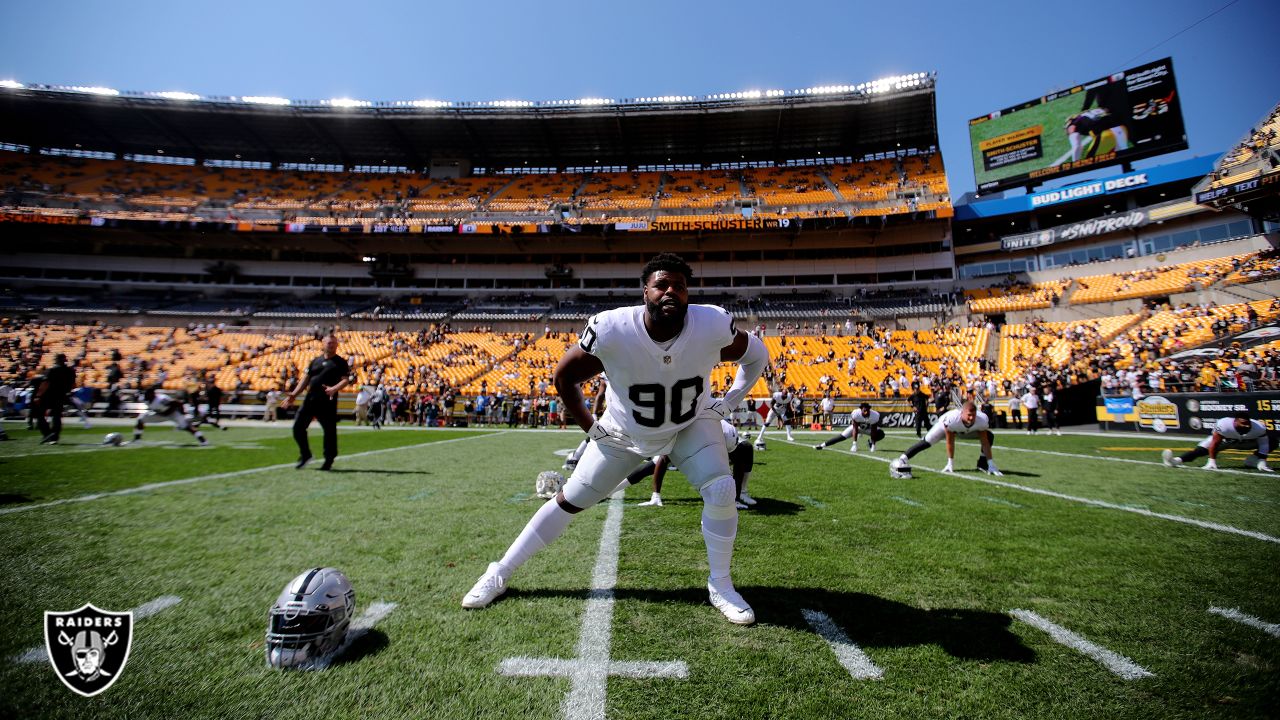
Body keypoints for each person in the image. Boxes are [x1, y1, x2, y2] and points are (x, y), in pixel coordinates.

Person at [462, 253, 769, 625]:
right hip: (625, 432)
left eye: (680, 286)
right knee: (569, 500)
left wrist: (729, 402)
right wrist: (591, 429)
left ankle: (720, 584)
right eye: (662, 285)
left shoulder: (711, 323)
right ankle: (500, 571)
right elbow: (564, 377)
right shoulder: (612, 328)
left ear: (689, 294)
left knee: (721, 489)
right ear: (645, 292)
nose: (671, 291)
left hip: (690, 425)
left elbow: (757, 354)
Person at [626, 419, 757, 509]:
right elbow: (664, 458)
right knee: (652, 465)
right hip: (690, 445)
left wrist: (734, 498)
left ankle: (740, 495)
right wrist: (656, 494)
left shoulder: (725, 431)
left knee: (746, 449)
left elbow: (737, 462)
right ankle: (609, 490)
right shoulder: (690, 430)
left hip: (708, 444)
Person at [282, 335, 352, 471]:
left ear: (337, 345)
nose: (331, 345)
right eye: (328, 343)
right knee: (298, 428)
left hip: (327, 402)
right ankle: (306, 454)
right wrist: (294, 395)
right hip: (310, 400)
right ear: (323, 344)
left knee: (329, 432)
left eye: (333, 343)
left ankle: (329, 459)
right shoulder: (315, 361)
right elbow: (306, 379)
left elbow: (345, 380)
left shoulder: (340, 362)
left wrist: (334, 389)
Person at [890, 401, 1002, 477]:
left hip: (966, 431)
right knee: (927, 442)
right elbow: (950, 441)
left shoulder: (981, 420)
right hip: (945, 428)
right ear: (962, 412)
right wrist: (950, 463)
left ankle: (983, 464)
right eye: (969, 415)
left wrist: (991, 462)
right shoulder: (952, 418)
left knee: (989, 436)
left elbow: (984, 442)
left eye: (973, 415)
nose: (971, 418)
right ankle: (903, 458)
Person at [1162, 415, 1275, 472]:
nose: (1246, 426)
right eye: (1243, 423)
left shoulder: (1258, 427)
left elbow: (1264, 444)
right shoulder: (1224, 425)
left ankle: (1252, 460)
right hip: (1226, 441)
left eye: (1248, 423)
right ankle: (1176, 461)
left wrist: (1262, 460)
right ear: (1235, 422)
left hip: (1246, 442)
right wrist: (1212, 461)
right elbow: (1215, 443)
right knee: (1200, 451)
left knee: (1273, 441)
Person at [132, 388, 210, 446]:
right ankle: (137, 440)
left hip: (173, 413)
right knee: (141, 419)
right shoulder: (145, 398)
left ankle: (203, 441)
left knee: (186, 426)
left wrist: (183, 413)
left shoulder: (161, 399)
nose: (146, 397)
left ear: (153, 395)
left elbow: (178, 403)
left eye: (147, 395)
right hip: (160, 415)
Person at [34, 353, 76, 444]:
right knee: (57, 416)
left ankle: (47, 433)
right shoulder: (70, 371)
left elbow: (45, 384)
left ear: (56, 360)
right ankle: (55, 436)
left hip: (48, 395)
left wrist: (38, 396)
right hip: (61, 395)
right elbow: (73, 385)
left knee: (40, 415)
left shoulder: (51, 370)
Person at [814, 402, 884, 452]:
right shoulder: (856, 414)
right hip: (857, 428)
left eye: (867, 411)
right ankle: (822, 445)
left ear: (869, 410)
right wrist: (854, 444)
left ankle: (871, 443)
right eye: (864, 411)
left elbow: (874, 430)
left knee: (881, 433)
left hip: (868, 429)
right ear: (860, 410)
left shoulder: (874, 415)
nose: (865, 413)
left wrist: (873, 445)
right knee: (841, 437)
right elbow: (855, 428)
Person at [754, 383, 793, 447]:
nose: (784, 397)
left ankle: (789, 436)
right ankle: (759, 436)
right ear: (781, 393)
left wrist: (789, 413)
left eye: (785, 396)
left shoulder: (789, 397)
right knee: (767, 423)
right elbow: (771, 405)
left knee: (787, 421)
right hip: (774, 410)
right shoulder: (777, 395)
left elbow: (788, 405)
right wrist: (778, 415)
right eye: (783, 395)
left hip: (782, 409)